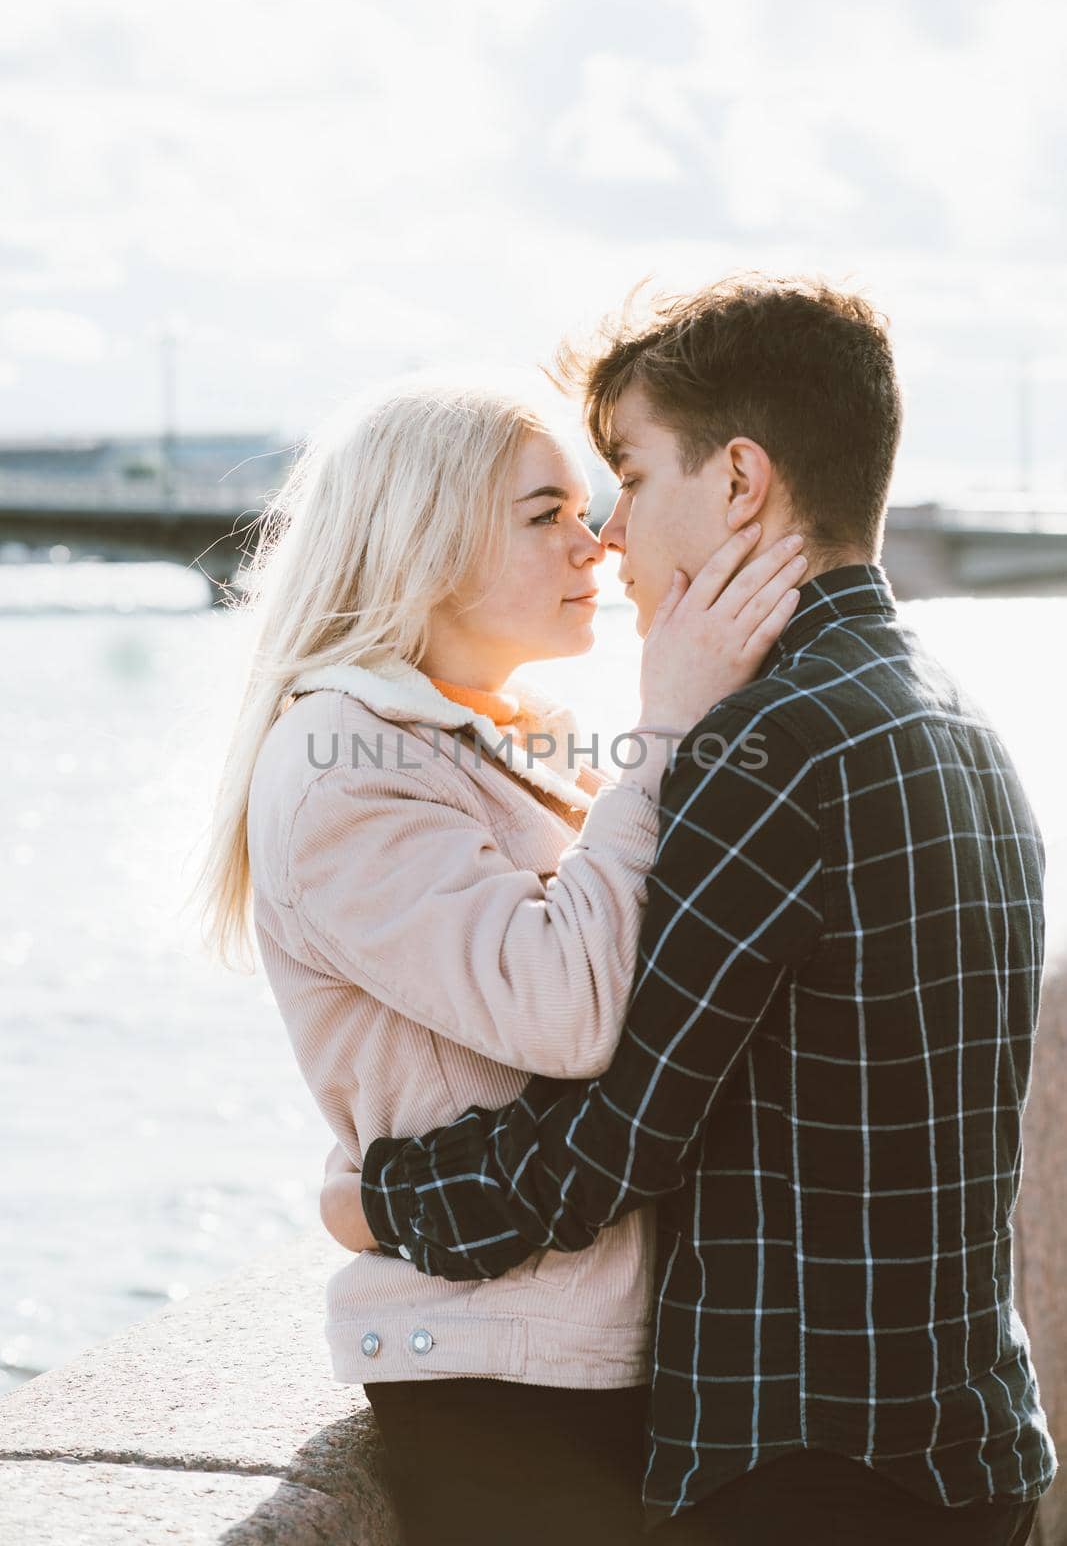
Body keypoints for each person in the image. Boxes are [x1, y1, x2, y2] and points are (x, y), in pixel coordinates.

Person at [327, 276, 1057, 1545]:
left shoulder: (768, 746)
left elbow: (610, 1144)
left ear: (738, 480)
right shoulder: (953, 718)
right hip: (969, 1441)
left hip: (804, 1468)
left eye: (630, 474)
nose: (608, 535)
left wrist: (379, 1197)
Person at [193, 371, 805, 1546]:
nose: (594, 542)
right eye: (546, 514)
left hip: (569, 1340)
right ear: (421, 542)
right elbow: (568, 1006)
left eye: (587, 507)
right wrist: (667, 720)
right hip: (495, 1377)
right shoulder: (342, 760)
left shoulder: (494, 730)